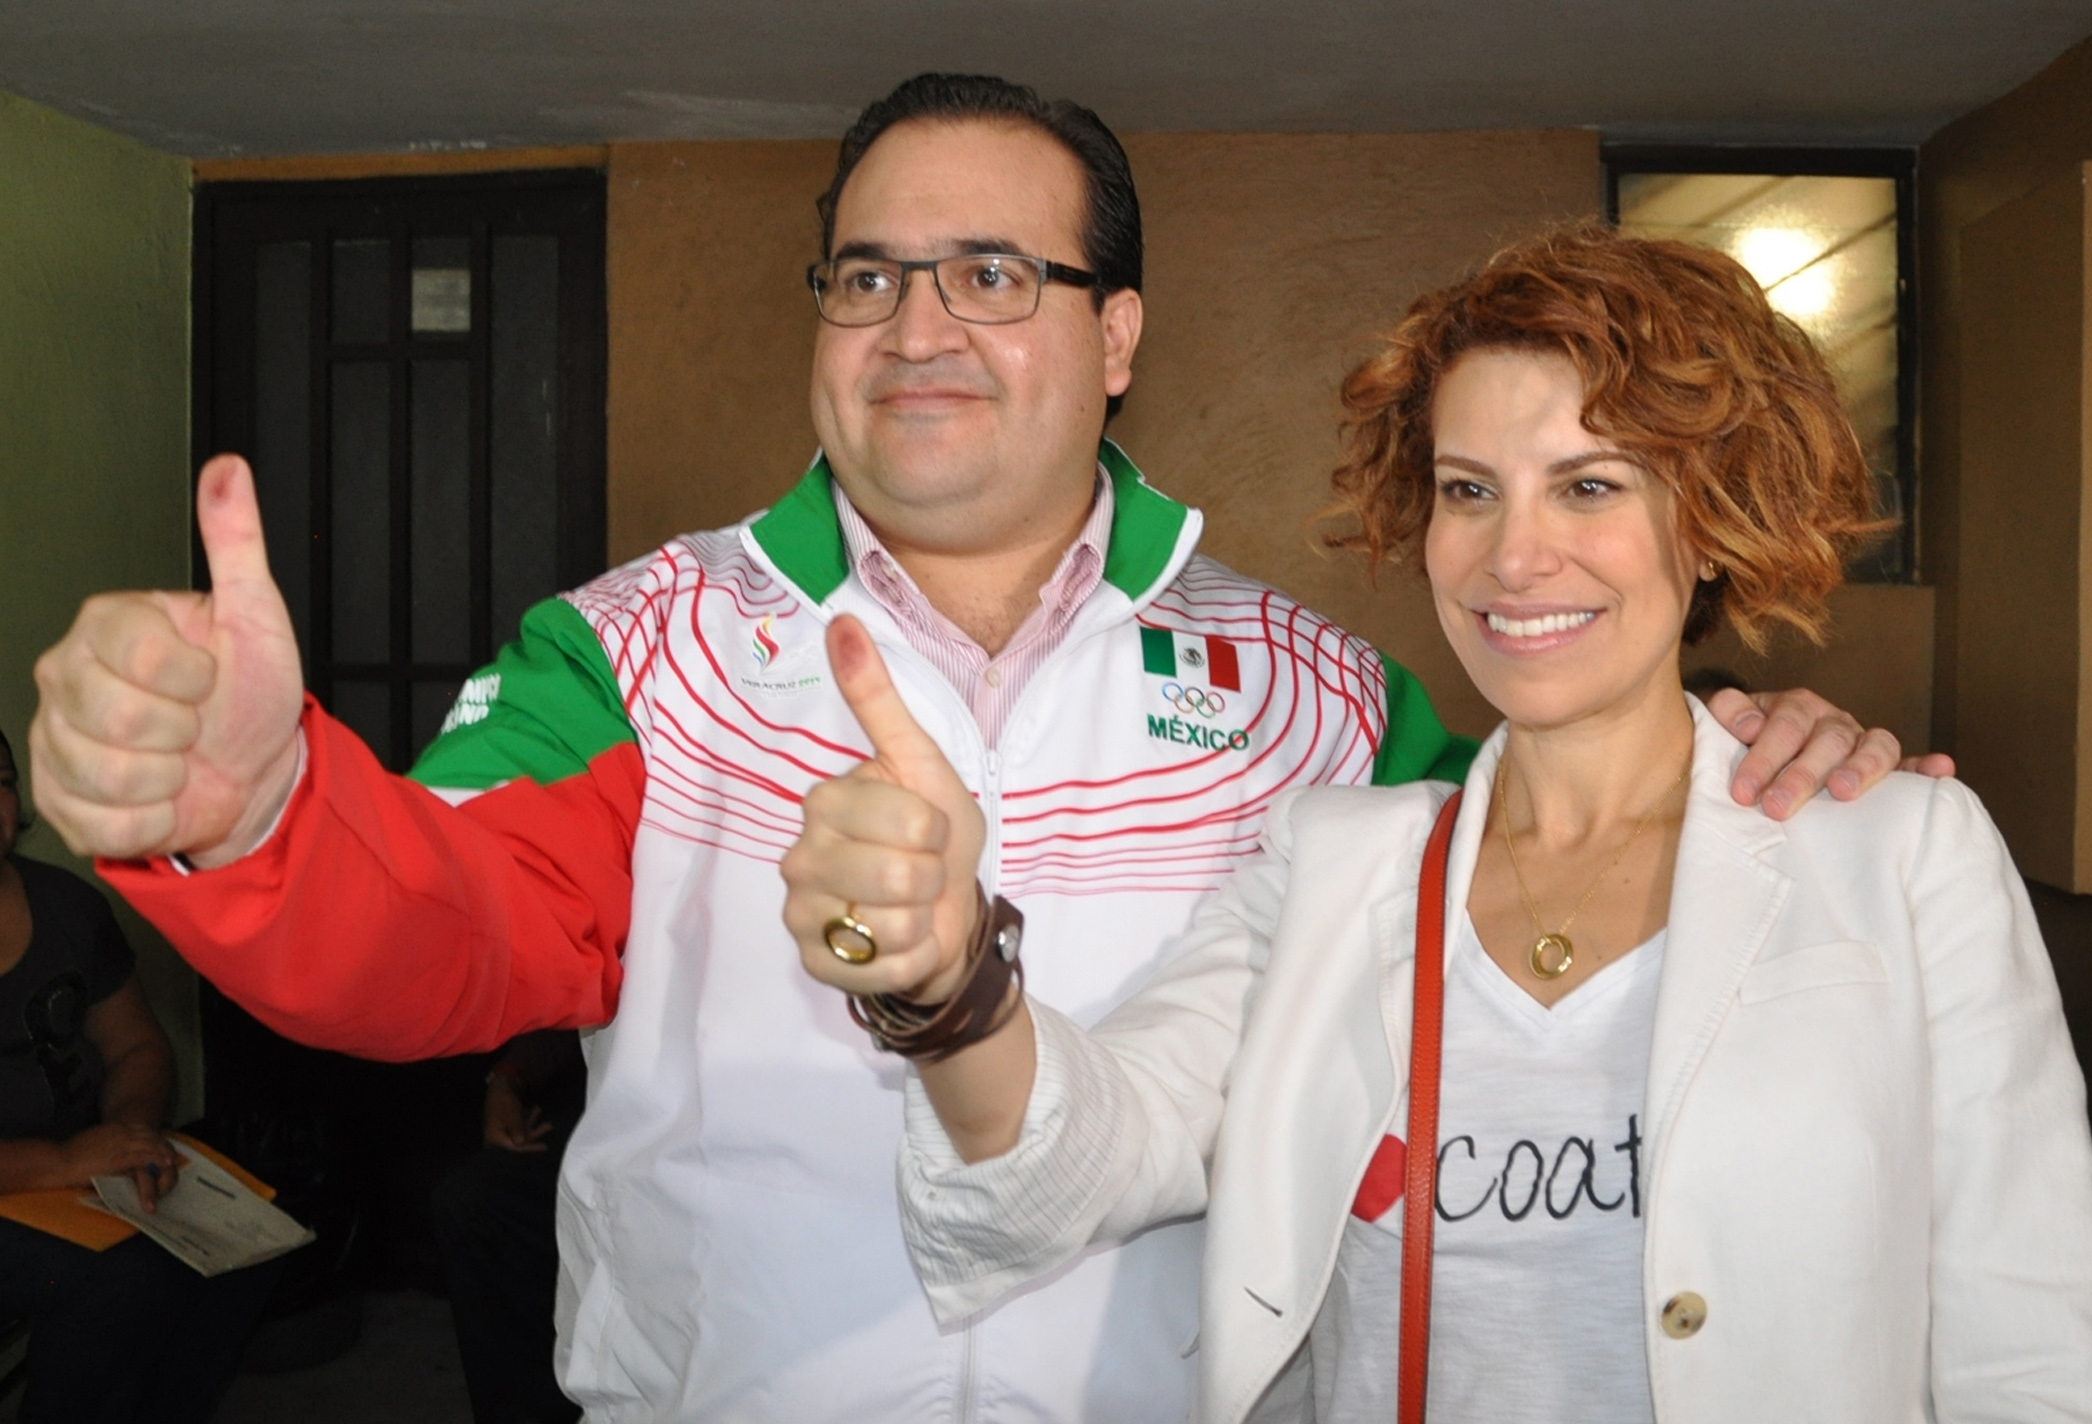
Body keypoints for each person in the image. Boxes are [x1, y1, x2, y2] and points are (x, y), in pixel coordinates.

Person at [28, 75, 1929, 1422]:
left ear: (1117, 335)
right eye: (866, 275)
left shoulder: (1314, 694)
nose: (916, 325)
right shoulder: (641, 648)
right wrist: (259, 817)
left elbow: (1559, 869)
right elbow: (440, 925)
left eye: (993, 274)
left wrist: (1734, 748)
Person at [785, 226, 2092, 1423]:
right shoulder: (1333, 864)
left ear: (1710, 521)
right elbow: (1085, 1153)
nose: (1513, 556)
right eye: (1469, 488)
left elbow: (2033, 1354)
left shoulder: (1901, 854)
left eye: (1590, 484)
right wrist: (949, 982)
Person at [0, 727, 280, 1424]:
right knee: (122, 1280)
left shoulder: (66, 905)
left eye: (0, 782)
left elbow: (137, 1046)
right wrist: (62, 1161)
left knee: (244, 1247)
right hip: (30, 1179)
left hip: (79, 1172)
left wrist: (130, 1135)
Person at [430, 1030, 586, 1424]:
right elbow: (576, 1007)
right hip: (606, 1102)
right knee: (476, 1203)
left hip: (706, 1133)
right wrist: (507, 1079)